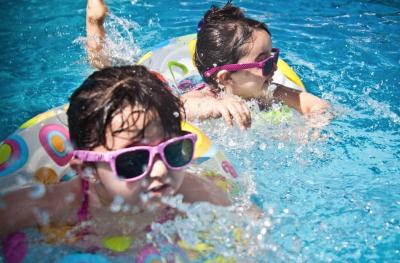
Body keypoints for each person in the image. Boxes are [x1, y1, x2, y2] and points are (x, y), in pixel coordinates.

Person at [0, 65, 230, 247]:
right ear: (87, 170)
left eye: (172, 151)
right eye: (133, 161)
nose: (161, 171)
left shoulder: (195, 195)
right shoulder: (53, 207)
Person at [182, 1, 330, 119]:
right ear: (226, 77)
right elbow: (176, 109)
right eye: (265, 64)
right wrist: (215, 106)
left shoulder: (270, 92)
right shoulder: (207, 96)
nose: (275, 68)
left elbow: (317, 105)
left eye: (273, 59)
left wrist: (313, 126)